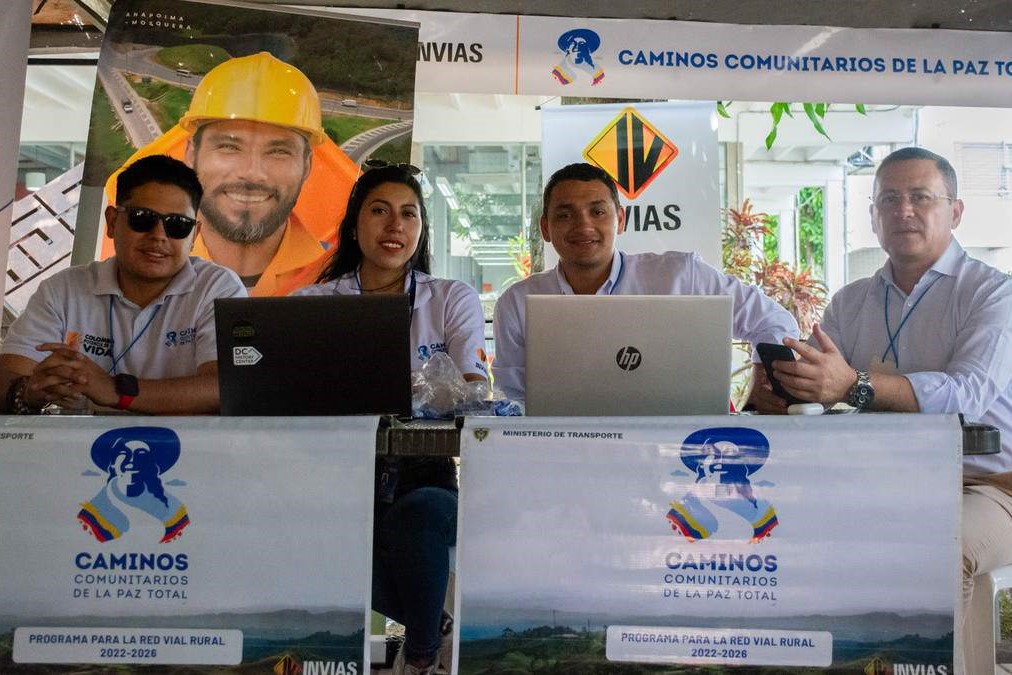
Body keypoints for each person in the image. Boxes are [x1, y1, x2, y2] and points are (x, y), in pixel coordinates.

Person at [771, 146, 1012, 671]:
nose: (903, 210)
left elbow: (967, 395)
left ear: (956, 210)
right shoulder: (850, 301)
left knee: (943, 548)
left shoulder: (993, 294)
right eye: (888, 199)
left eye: (920, 197)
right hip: (885, 481)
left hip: (990, 486)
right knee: (783, 533)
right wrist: (795, 386)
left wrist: (853, 385)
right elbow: (826, 394)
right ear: (873, 215)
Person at [295, 162, 486, 675]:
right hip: (334, 473)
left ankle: (419, 654)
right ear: (354, 225)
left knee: (421, 512)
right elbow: (286, 390)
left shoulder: (450, 297)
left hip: (426, 472)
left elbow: (470, 386)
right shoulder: (311, 304)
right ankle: (432, 628)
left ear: (422, 229)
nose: (394, 225)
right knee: (311, 529)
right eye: (379, 211)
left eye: (409, 214)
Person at [493, 162, 800, 405]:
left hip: (677, 447)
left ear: (621, 220)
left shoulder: (681, 275)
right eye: (565, 215)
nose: (583, 225)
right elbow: (513, 399)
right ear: (545, 228)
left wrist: (763, 380)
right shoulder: (518, 302)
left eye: (598, 212)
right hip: (569, 455)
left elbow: (775, 322)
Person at [0, 154, 246, 415]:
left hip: (188, 451)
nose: (159, 236)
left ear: (194, 235)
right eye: (142, 218)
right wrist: (29, 391)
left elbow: (224, 387)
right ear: (113, 221)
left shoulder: (217, 287)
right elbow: (10, 374)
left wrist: (116, 391)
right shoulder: (64, 290)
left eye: (178, 226)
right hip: (75, 449)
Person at [105, 52, 360, 296]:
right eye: (229, 147)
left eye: (278, 151)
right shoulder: (124, 271)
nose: (251, 173)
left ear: (307, 166)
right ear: (191, 154)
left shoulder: (343, 280)